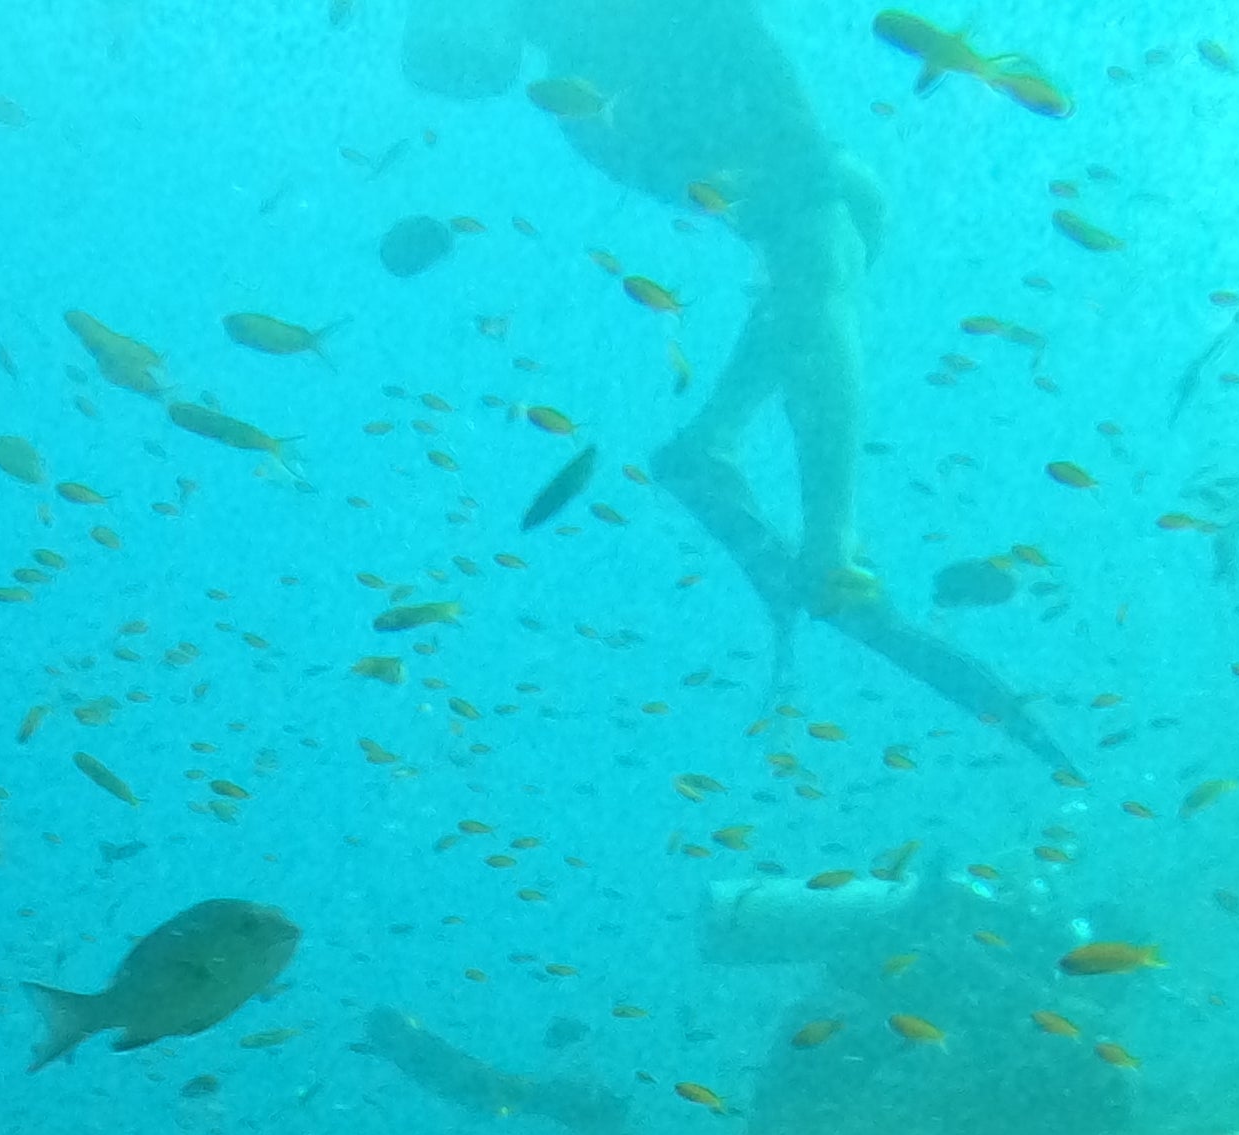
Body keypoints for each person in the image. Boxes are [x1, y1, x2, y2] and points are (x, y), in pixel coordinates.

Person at [404, 0, 1068, 771]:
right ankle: (826, 540)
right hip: (644, 76)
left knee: (843, 221)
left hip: (640, 82)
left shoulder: (570, 87)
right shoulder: (573, 80)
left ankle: (713, 437)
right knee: (819, 237)